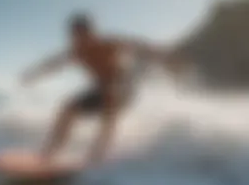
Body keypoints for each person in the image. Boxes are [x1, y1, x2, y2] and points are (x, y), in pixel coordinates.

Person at [20, 13, 183, 165]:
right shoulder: (77, 52)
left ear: (91, 32)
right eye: (75, 36)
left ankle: (97, 156)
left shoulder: (108, 43)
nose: (79, 40)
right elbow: (54, 63)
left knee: (109, 95)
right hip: (101, 89)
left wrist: (167, 59)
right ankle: (49, 154)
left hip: (123, 88)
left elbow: (140, 47)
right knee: (68, 108)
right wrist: (33, 74)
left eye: (82, 35)